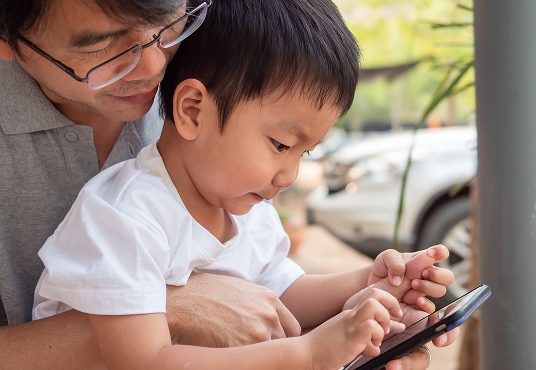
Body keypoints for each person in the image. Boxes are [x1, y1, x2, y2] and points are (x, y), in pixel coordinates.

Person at [32, 0, 457, 368]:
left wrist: (368, 283)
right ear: (193, 111)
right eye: (280, 144)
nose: (288, 176)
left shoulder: (248, 213)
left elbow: (282, 295)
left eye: (303, 153)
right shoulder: (123, 218)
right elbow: (147, 361)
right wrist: (307, 355)